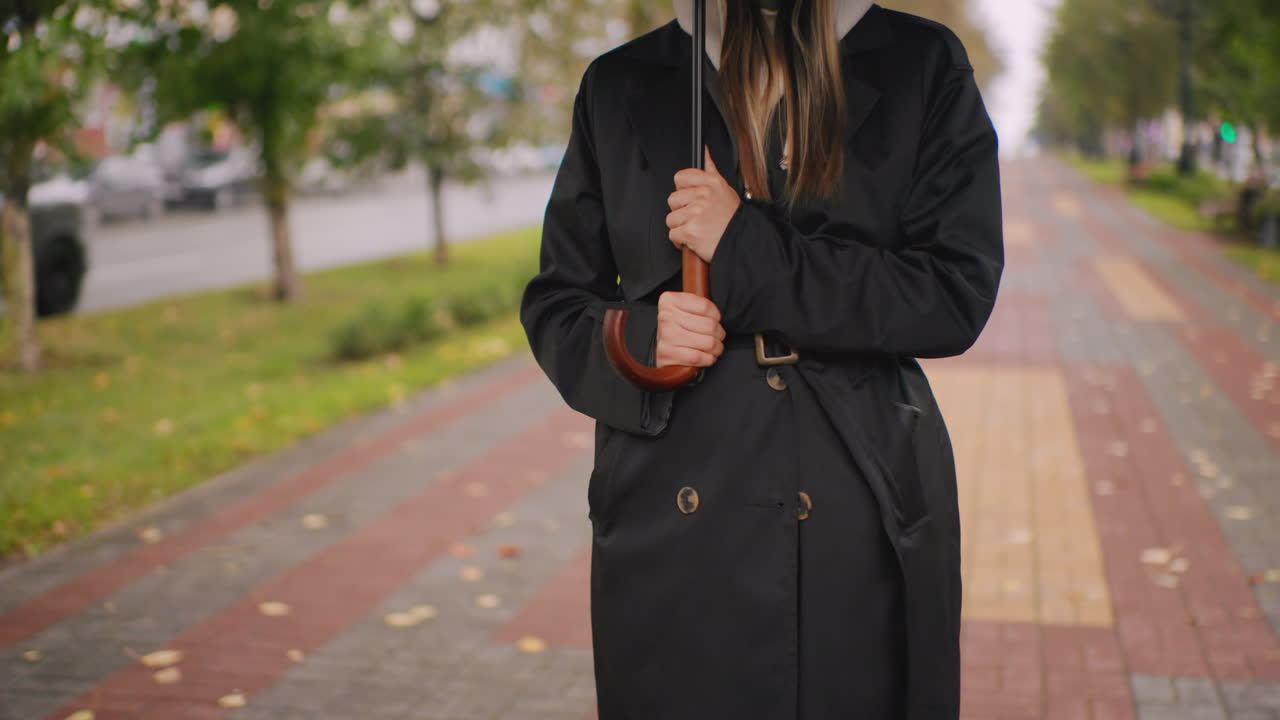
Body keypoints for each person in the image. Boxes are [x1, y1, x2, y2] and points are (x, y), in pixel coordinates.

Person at [520, 1, 1003, 718]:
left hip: (856, 495)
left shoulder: (920, 63)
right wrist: (640, 339)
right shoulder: (622, 82)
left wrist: (744, 247)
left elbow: (952, 292)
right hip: (673, 504)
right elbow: (559, 303)